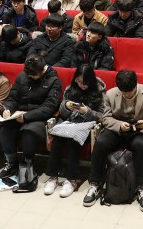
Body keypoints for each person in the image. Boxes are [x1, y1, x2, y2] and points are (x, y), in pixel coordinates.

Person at [82, 69, 143, 212]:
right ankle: (95, 183)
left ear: (136, 84)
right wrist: (119, 125)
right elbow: (106, 118)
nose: (127, 95)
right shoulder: (110, 94)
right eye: (124, 92)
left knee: (141, 145)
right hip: (117, 129)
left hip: (137, 130)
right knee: (101, 143)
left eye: (130, 91)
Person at [0, 53, 63, 188]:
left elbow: (49, 107)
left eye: (33, 75)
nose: (30, 77)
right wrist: (8, 109)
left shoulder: (54, 81)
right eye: (28, 75)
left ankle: (28, 163)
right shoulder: (23, 76)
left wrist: (26, 117)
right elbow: (13, 98)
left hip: (39, 117)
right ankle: (11, 162)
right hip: (19, 113)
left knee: (29, 132)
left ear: (42, 70)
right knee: (5, 127)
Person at [43, 64, 105, 198]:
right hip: (69, 123)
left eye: (85, 83)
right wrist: (66, 106)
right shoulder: (70, 89)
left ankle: (71, 179)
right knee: (58, 138)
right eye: (79, 81)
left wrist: (87, 111)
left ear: (91, 81)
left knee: (73, 139)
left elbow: (102, 116)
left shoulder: (99, 92)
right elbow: (63, 113)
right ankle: (53, 177)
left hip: (87, 126)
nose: (82, 85)